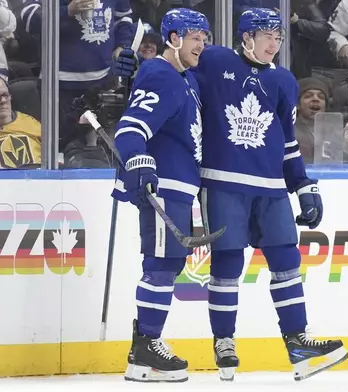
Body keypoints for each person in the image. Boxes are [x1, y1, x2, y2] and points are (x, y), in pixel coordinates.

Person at [191, 8, 347, 382]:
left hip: (272, 189)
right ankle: (225, 342)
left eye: (278, 37)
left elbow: (288, 140)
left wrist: (302, 183)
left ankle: (297, 342)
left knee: (287, 261)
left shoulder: (284, 81)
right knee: (227, 264)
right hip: (223, 181)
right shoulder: (214, 61)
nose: (274, 43)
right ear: (245, 37)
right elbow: (179, 80)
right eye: (266, 36)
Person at [110, 8, 210, 383]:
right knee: (160, 265)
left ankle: (146, 345)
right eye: (194, 35)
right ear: (173, 39)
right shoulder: (162, 74)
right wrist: (137, 158)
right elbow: (131, 127)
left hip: (180, 186)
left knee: (168, 265)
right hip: (163, 185)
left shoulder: (187, 80)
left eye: (204, 36)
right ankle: (145, 348)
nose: (201, 43)